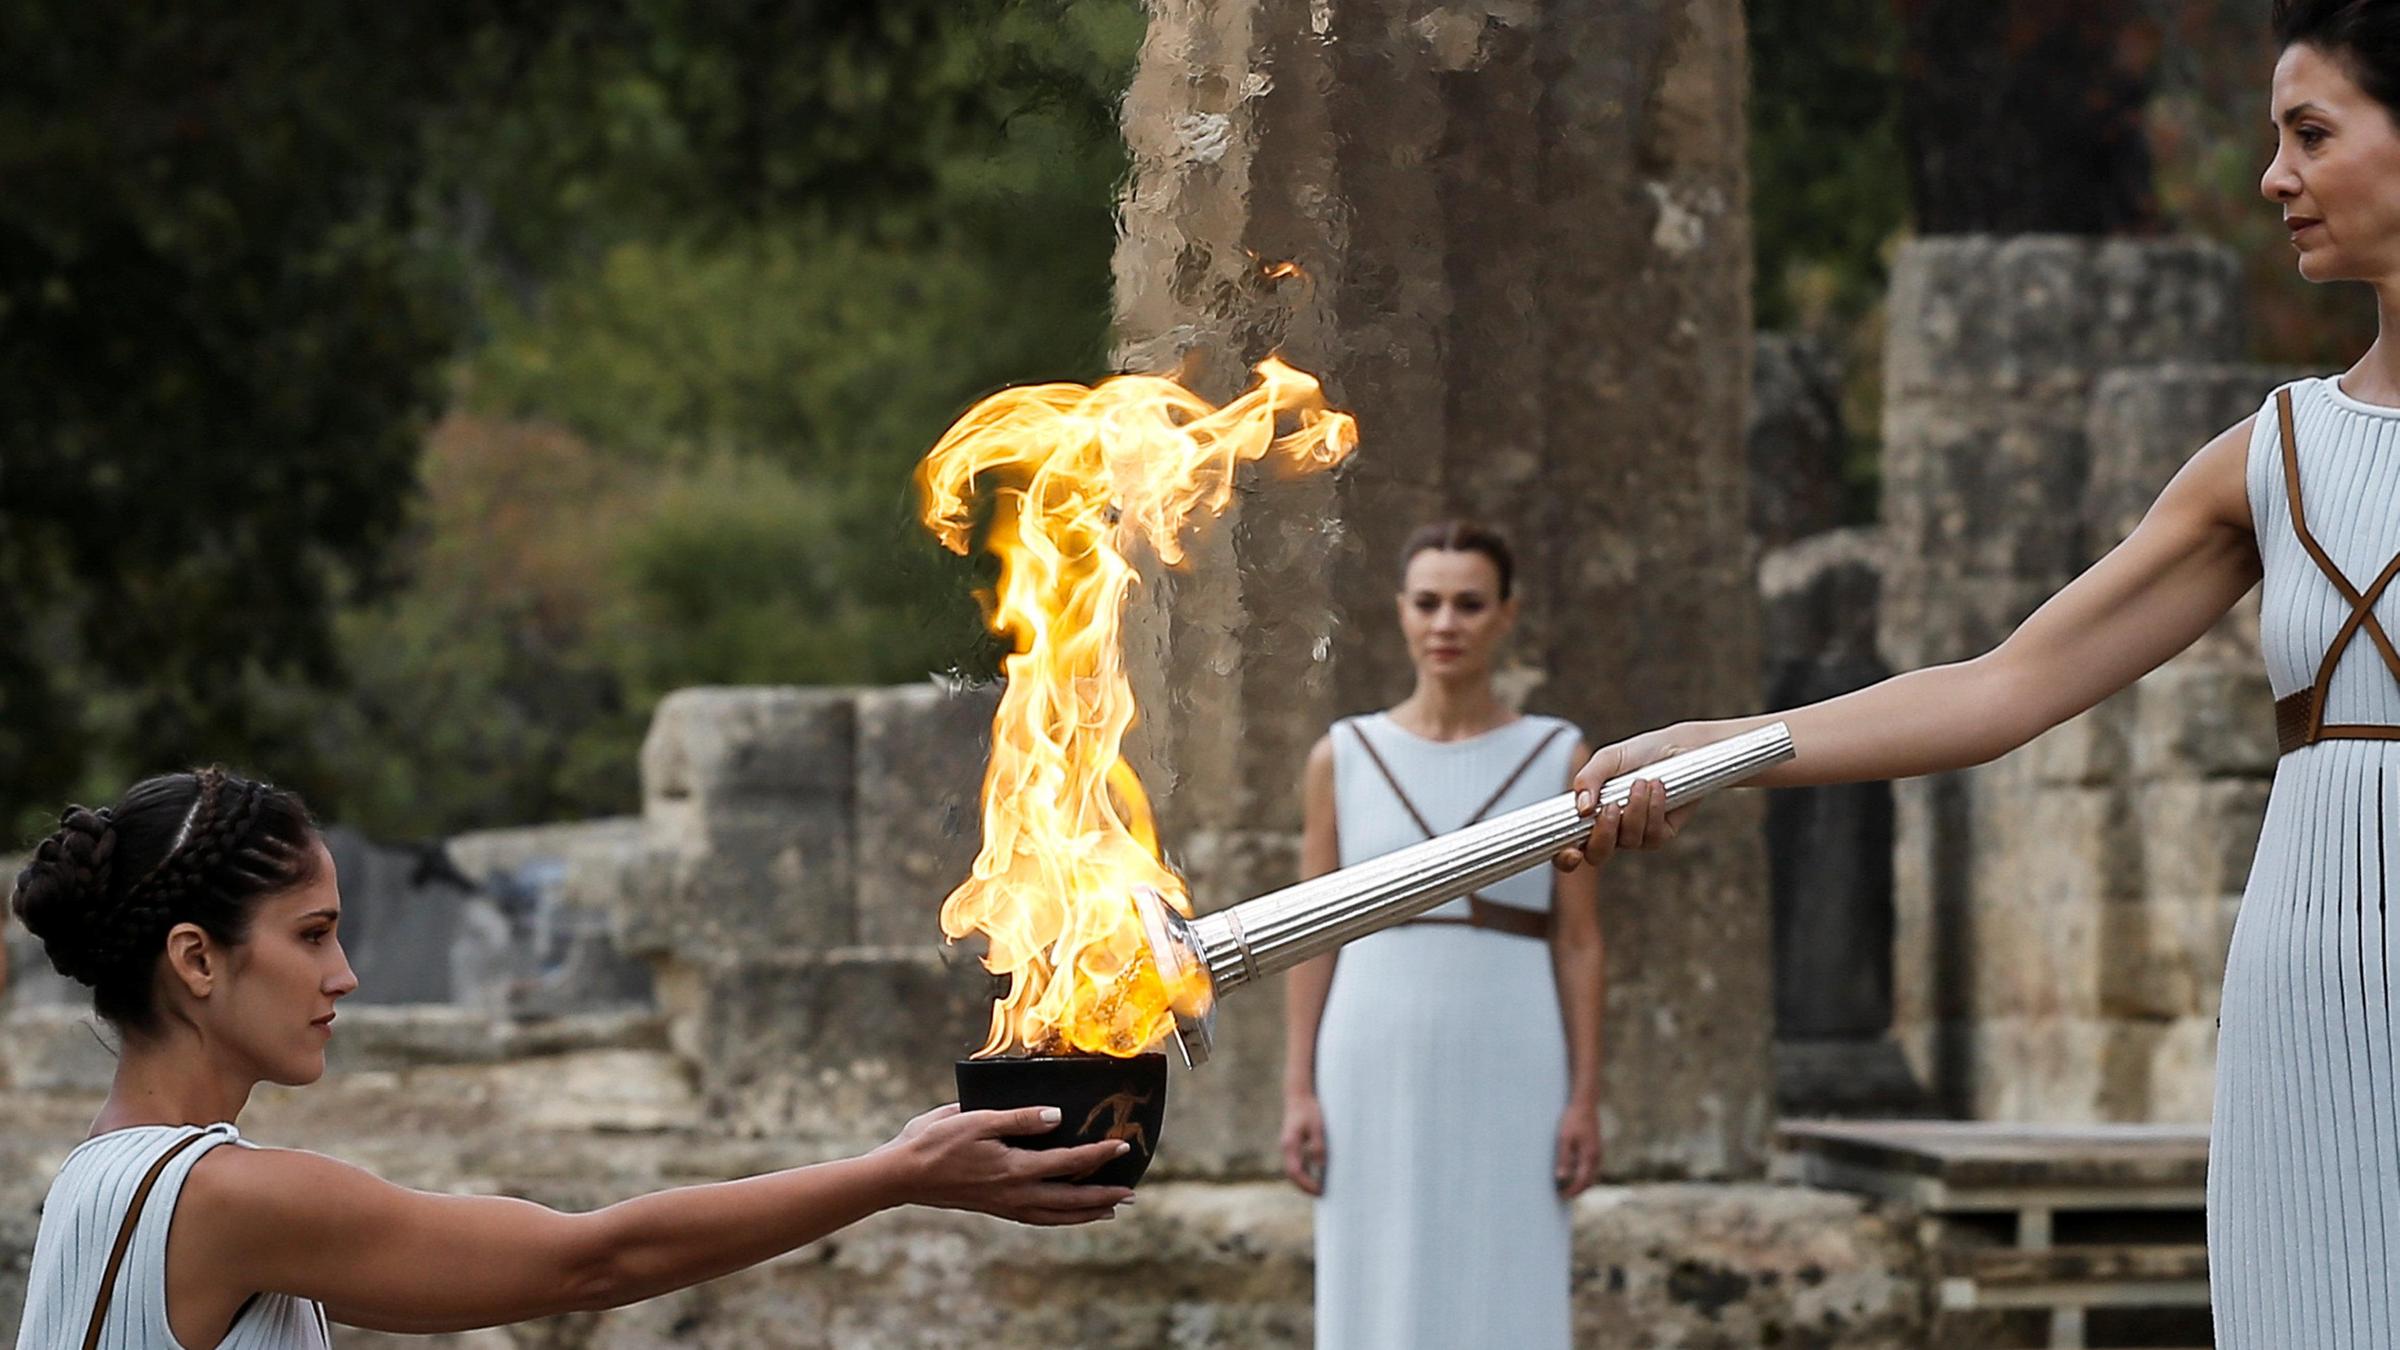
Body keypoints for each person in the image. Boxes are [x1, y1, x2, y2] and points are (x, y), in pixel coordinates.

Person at [1562, 3, 2400, 1344]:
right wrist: (1717, 743)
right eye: (2271, 139)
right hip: (2307, 992)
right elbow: (2001, 685)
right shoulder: (2277, 454)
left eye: (2311, 135)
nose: (2274, 177)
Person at [7, 768, 1130, 1348]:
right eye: (311, 937)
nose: (344, 974)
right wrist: (897, 1174)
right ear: (196, 960)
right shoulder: (229, 1197)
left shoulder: (93, 1186)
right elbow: (588, 1264)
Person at [1279, 521, 1606, 1350]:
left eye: (1469, 604)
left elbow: (1578, 941)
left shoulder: (1560, 754)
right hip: (1371, 1044)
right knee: (1376, 1267)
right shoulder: (1345, 754)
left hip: (1513, 1042)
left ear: (1506, 615)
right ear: (1401, 612)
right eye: (1428, 603)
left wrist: (1584, 1097)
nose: (1446, 623)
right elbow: (1311, 936)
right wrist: (1298, 1089)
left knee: (1509, 1262)